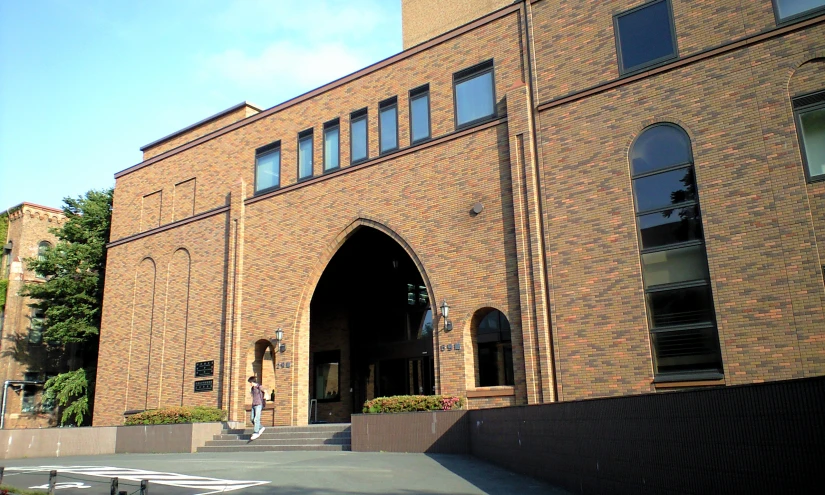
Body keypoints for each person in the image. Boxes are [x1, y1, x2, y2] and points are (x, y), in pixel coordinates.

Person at [248, 376, 267, 440]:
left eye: (250, 382)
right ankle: (261, 427)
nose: (250, 384)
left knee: (256, 418)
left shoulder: (259, 387)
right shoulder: (252, 388)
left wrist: (265, 397)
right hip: (254, 404)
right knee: (252, 419)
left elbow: (265, 391)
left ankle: (256, 432)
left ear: (252, 382)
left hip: (259, 404)